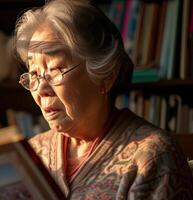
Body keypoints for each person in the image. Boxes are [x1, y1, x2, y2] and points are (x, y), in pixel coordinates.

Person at [14, 0, 193, 199]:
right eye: (34, 74)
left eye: (55, 70)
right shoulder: (31, 154)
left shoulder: (154, 156)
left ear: (106, 77)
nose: (42, 89)